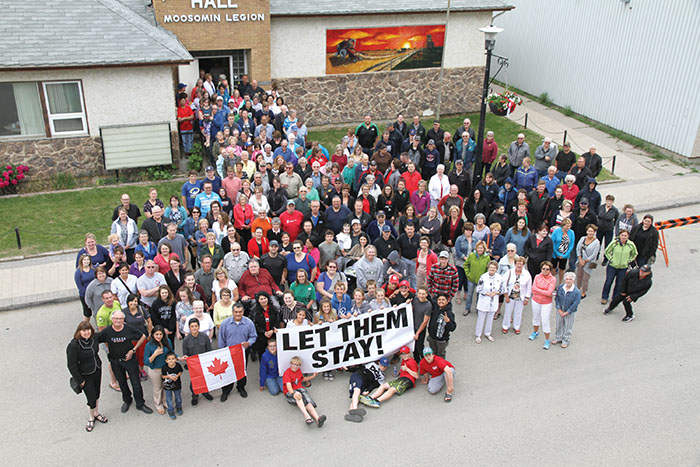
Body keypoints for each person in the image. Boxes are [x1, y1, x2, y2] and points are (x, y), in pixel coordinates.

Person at [95, 310, 151, 414]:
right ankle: (127, 400)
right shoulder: (107, 331)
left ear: (123, 320)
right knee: (122, 382)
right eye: (116, 318)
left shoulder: (128, 329)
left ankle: (140, 403)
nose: (118, 321)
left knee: (136, 383)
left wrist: (133, 350)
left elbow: (143, 336)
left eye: (120, 319)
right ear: (112, 320)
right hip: (115, 361)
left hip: (130, 361)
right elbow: (97, 339)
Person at [67, 321, 107, 432]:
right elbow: (71, 365)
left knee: (97, 393)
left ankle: (96, 413)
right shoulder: (74, 345)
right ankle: (91, 417)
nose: (86, 332)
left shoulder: (94, 338)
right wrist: (80, 380)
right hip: (85, 375)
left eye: (88, 330)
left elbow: (106, 333)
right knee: (91, 397)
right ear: (79, 332)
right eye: (84, 330)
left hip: (97, 369)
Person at [218, 302, 256, 401]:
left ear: (243, 311)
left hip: (243, 353)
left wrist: (249, 343)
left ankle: (241, 387)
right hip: (228, 353)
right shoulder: (225, 323)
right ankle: (226, 391)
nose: (238, 314)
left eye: (240, 312)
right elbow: (221, 339)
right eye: (236, 312)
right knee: (228, 371)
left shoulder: (249, 323)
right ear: (232, 312)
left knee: (242, 371)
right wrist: (222, 352)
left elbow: (253, 336)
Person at [283, 356, 326, 427]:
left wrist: (312, 377)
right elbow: (288, 386)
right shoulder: (287, 373)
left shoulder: (298, 371)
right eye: (293, 364)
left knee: (308, 403)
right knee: (299, 396)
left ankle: (318, 419)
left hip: (300, 389)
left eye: (297, 365)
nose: (295, 366)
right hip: (291, 393)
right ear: (290, 364)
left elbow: (302, 379)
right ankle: (307, 417)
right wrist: (293, 393)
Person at [181, 317, 214, 405]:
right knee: (194, 381)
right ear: (189, 328)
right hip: (193, 365)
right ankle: (195, 395)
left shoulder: (204, 337)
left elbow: (209, 349)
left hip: (204, 363)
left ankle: (205, 392)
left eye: (196, 326)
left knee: (205, 379)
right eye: (192, 326)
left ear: (199, 327)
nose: (194, 328)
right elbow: (185, 352)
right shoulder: (186, 340)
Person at [345, 357, 389, 423]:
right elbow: (360, 368)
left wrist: (368, 390)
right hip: (359, 376)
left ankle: (351, 413)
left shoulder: (382, 376)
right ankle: (355, 409)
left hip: (365, 383)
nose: (383, 367)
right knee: (357, 390)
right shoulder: (372, 364)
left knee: (357, 396)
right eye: (382, 365)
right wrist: (348, 369)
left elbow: (375, 384)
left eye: (385, 366)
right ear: (379, 363)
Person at [601, 230, 638, 305]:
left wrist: (629, 260)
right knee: (608, 282)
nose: (623, 237)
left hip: (623, 268)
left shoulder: (631, 244)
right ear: (619, 236)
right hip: (612, 266)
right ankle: (604, 297)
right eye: (622, 235)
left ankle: (615, 298)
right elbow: (607, 251)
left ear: (628, 236)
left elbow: (635, 253)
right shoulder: (614, 243)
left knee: (619, 284)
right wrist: (611, 259)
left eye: (625, 235)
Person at [143, 325, 173, 415]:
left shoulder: (167, 342)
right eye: (156, 334)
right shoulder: (149, 345)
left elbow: (172, 353)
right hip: (155, 370)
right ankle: (158, 404)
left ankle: (165, 401)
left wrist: (179, 358)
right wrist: (155, 354)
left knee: (166, 386)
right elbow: (146, 361)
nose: (159, 336)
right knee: (158, 387)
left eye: (160, 334)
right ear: (153, 335)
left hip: (165, 368)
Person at [474, 260, 505, 343]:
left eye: (494, 268)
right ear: (488, 268)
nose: (492, 269)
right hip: (484, 301)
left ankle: (487, 333)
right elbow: (478, 289)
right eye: (491, 267)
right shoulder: (483, 277)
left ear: (496, 269)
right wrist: (486, 293)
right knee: (481, 318)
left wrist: (496, 292)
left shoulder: (500, 278)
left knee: (490, 319)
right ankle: (478, 334)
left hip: (493, 301)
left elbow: (503, 289)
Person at [529, 261, 557, 349]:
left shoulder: (553, 279)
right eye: (543, 269)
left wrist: (538, 290)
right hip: (535, 300)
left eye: (547, 269)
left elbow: (549, 293)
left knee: (545, 321)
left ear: (550, 270)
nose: (545, 271)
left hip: (546, 303)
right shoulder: (537, 277)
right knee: (535, 317)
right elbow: (533, 289)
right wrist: (543, 291)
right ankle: (535, 332)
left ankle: (547, 340)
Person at [502, 256, 532, 335]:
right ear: (515, 264)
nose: (519, 265)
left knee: (518, 312)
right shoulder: (509, 272)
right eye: (518, 263)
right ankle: (505, 326)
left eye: (521, 264)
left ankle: (516, 327)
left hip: (520, 296)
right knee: (508, 311)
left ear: (523, 265)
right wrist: (506, 296)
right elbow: (504, 284)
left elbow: (529, 287)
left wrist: (527, 298)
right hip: (510, 295)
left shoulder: (526, 274)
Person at [551, 272, 581, 349]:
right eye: (567, 279)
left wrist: (568, 312)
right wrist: (559, 309)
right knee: (559, 324)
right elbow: (557, 298)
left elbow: (576, 303)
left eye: (570, 279)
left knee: (568, 326)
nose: (568, 281)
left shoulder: (576, 291)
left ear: (573, 280)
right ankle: (558, 337)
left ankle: (566, 340)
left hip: (570, 312)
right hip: (560, 310)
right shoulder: (561, 287)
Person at [463, 240, 490, 316]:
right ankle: (467, 308)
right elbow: (466, 265)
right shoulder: (472, 255)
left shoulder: (487, 257)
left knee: (479, 295)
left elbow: (488, 269)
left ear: (484, 249)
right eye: (478, 248)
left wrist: (485, 278)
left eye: (481, 248)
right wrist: (468, 274)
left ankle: (478, 309)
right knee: (469, 294)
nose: (479, 249)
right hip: (471, 279)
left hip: (481, 280)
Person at [575, 225, 601, 298]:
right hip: (580, 260)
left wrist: (585, 261)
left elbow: (594, 254)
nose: (590, 233)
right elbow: (578, 249)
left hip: (588, 262)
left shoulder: (596, 242)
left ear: (594, 232)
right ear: (586, 231)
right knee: (579, 276)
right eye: (589, 231)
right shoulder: (582, 238)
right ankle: (577, 289)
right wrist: (580, 259)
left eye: (592, 231)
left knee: (585, 278)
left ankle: (583, 291)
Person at [161, 352, 184, 419]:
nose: (171, 360)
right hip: (168, 386)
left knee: (178, 398)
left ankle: (179, 407)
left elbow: (180, 371)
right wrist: (169, 377)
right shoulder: (164, 368)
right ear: (166, 361)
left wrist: (177, 376)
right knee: (169, 399)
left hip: (177, 385)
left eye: (173, 359)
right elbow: (163, 376)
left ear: (176, 359)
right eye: (169, 359)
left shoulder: (178, 366)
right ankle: (170, 410)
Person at [551, 218, 575, 282]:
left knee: (562, 269)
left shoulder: (571, 232)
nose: (568, 228)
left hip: (565, 254)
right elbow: (552, 243)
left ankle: (560, 282)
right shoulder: (556, 231)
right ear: (563, 225)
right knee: (553, 268)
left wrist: (565, 254)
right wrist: (557, 254)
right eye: (567, 226)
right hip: (555, 253)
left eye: (569, 226)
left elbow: (571, 245)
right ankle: (552, 282)